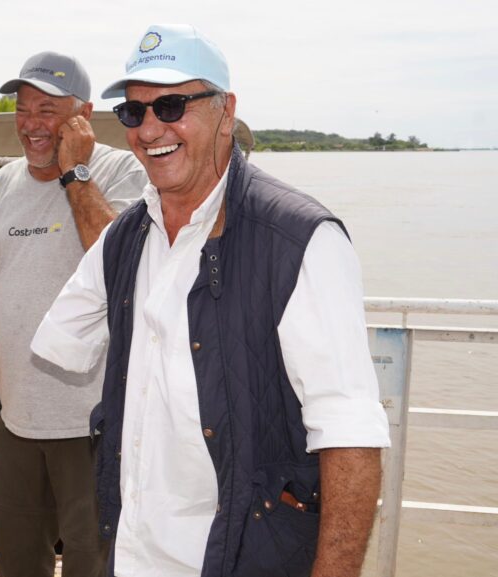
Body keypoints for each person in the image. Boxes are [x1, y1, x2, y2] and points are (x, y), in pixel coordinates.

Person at [31, 24, 391, 577]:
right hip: (131, 554)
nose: (151, 129)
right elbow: (59, 345)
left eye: (172, 105)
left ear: (227, 111)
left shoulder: (299, 241)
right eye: (133, 112)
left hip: (241, 555)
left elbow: (351, 436)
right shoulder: (124, 238)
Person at [0, 51, 147, 577]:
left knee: (92, 563)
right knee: (14, 557)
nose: (31, 123)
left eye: (47, 109)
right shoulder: (4, 182)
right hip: (16, 422)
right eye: (22, 108)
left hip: (92, 425)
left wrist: (75, 172)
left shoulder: (120, 169)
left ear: (83, 113)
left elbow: (120, 263)